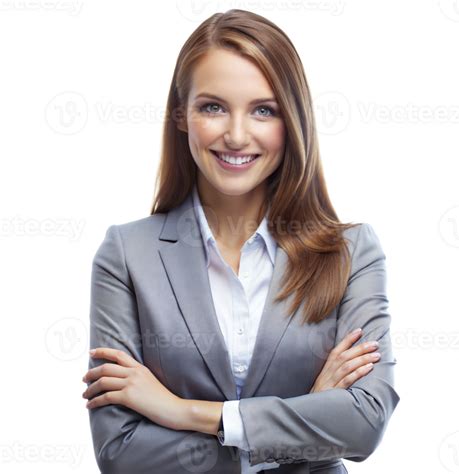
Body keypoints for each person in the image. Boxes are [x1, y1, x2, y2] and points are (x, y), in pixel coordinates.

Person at [81, 9, 400, 474]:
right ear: (183, 117)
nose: (235, 134)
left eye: (263, 110)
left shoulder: (351, 253)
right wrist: (307, 416)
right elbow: (121, 453)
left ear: (292, 120)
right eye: (212, 106)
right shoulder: (127, 255)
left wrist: (184, 411)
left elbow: (364, 423)